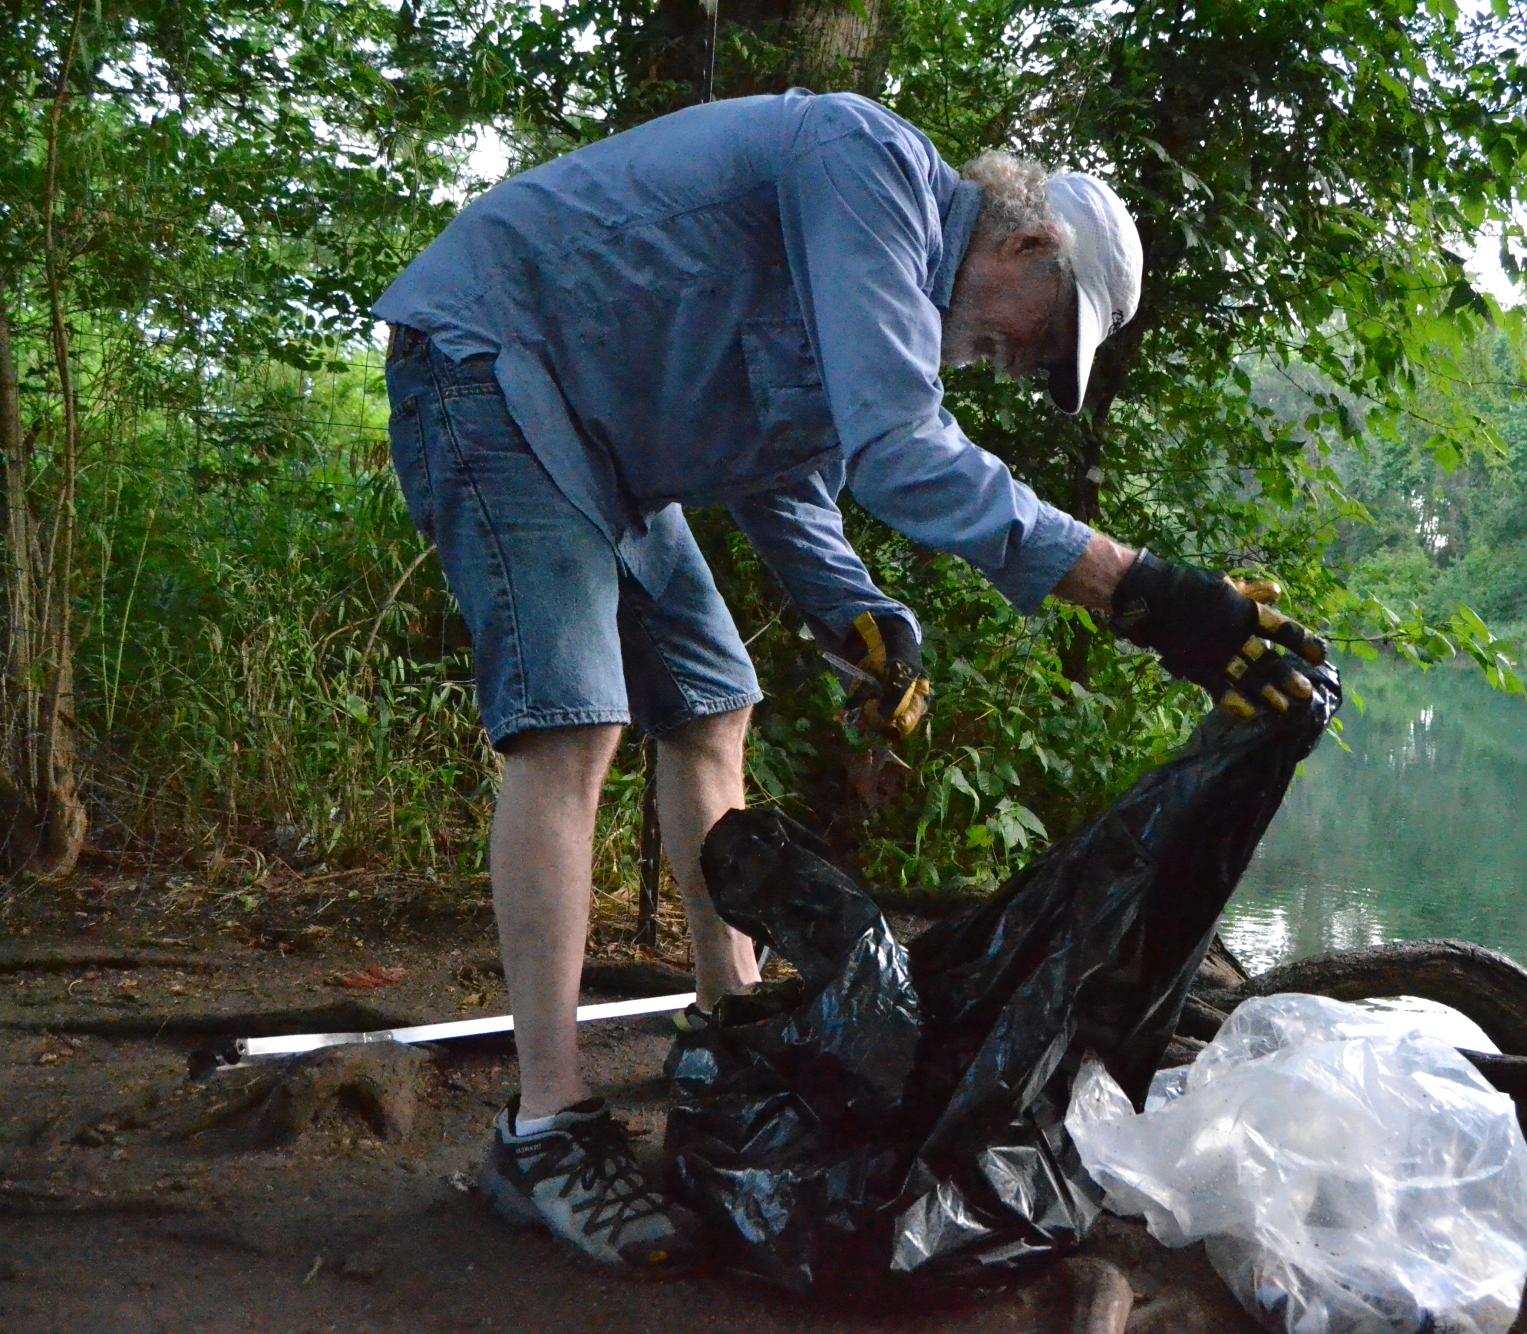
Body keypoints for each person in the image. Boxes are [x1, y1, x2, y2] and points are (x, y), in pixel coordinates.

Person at [373, 89, 1325, 1267]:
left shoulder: (875, 311)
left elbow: (789, 477)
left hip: (607, 451)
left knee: (714, 701)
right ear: (1027, 240)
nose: (1027, 361)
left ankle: (739, 1019)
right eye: (1050, 326)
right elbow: (894, 446)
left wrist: (864, 613)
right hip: (492, 363)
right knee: (576, 724)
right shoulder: (862, 161)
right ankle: (546, 1126)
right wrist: (1145, 591)